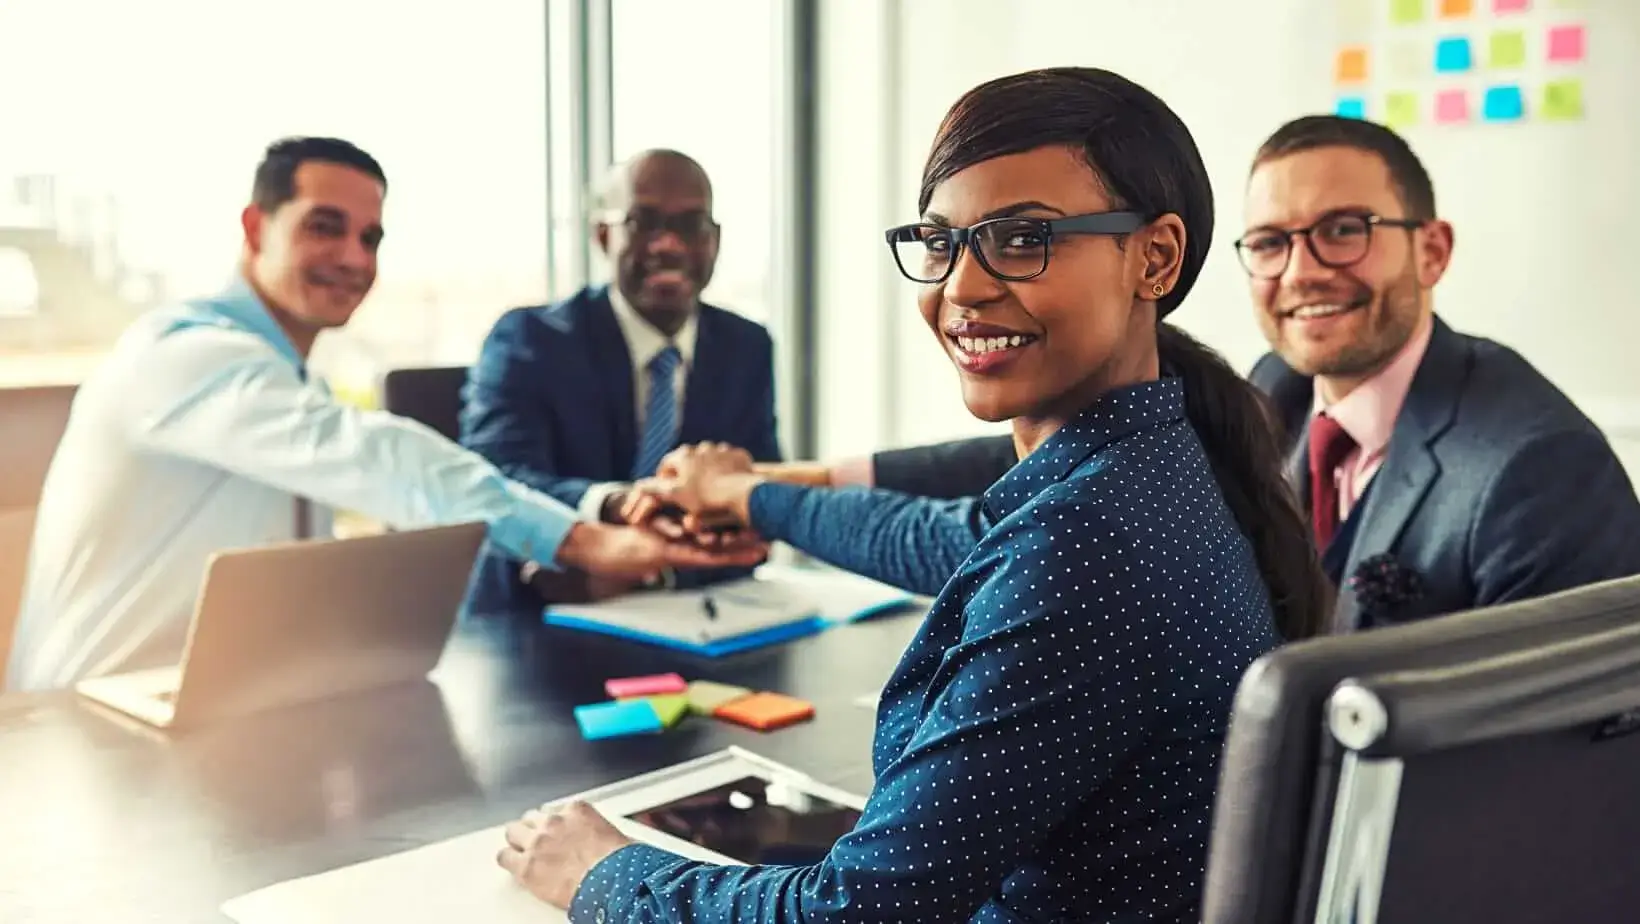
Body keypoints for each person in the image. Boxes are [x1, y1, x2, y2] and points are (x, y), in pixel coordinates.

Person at [493, 66, 1329, 923]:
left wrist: (602, 872)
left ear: (1155, 257)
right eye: (941, 242)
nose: (962, 288)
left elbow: (857, 913)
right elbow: (936, 535)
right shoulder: (1154, 461)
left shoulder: (1087, 539)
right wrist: (749, 496)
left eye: (1022, 240)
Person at [782, 115, 1640, 629]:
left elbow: (1566, 771)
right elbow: (1055, 454)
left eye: (1344, 231)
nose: (1302, 272)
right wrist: (813, 478)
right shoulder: (1278, 387)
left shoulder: (1535, 468)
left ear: (1433, 250)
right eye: (1269, 242)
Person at [4, 137, 761, 693]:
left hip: (220, 716)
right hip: (79, 728)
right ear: (255, 227)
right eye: (324, 226)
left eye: (370, 237)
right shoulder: (183, 355)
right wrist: (583, 538)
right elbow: (376, 454)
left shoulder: (289, 382)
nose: (354, 257)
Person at [459, 149, 780, 614]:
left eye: (691, 225)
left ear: (715, 240)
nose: (668, 244)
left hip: (691, 612)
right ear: (604, 235)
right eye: (644, 222)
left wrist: (656, 568)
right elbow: (497, 481)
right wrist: (616, 504)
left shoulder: (745, 348)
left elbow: (759, 496)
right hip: (538, 613)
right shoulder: (530, 341)